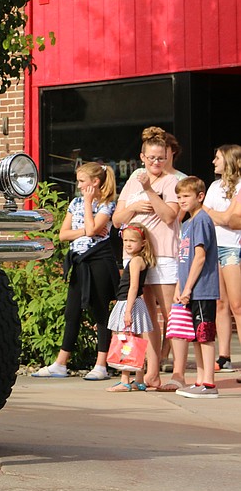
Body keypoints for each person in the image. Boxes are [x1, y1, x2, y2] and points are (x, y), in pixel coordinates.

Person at [32, 162, 119, 379]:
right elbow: (63, 234)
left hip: (98, 260)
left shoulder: (106, 204)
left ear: (95, 182)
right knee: (72, 312)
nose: (78, 185)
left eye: (82, 181)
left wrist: (89, 205)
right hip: (79, 260)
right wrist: (84, 230)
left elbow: (93, 229)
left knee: (100, 311)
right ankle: (61, 362)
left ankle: (101, 364)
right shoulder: (75, 203)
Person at [112, 126, 180, 389]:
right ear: (142, 157)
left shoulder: (171, 181)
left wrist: (150, 191)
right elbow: (117, 221)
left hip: (162, 253)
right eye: (151, 158)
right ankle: (150, 372)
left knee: (170, 313)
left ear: (167, 157)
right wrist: (133, 207)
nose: (156, 162)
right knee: (146, 316)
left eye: (161, 158)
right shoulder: (133, 181)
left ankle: (177, 373)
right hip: (136, 257)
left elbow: (170, 216)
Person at [167, 176, 220, 398]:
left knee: (204, 334)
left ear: (200, 196)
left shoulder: (202, 220)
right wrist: (180, 286)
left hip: (202, 288)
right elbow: (184, 259)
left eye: (186, 196)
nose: (181, 200)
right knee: (195, 336)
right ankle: (200, 380)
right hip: (190, 288)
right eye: (178, 197)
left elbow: (199, 257)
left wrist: (188, 288)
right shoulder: (187, 223)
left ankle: (209, 383)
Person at [203, 144, 241, 374]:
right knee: (220, 304)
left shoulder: (240, 186)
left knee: (237, 305)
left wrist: (220, 217)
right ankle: (224, 356)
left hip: (233, 247)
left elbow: (235, 220)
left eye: (217, 158)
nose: (213, 162)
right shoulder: (215, 186)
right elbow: (202, 212)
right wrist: (223, 217)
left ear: (228, 160)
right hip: (213, 247)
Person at [106, 225, 155, 392]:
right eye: (125, 240)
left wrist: (127, 310)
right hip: (134, 303)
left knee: (125, 340)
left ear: (143, 243)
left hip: (129, 303)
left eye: (132, 240)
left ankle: (125, 379)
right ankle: (139, 379)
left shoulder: (135, 261)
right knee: (137, 341)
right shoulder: (141, 260)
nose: (127, 244)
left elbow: (133, 287)